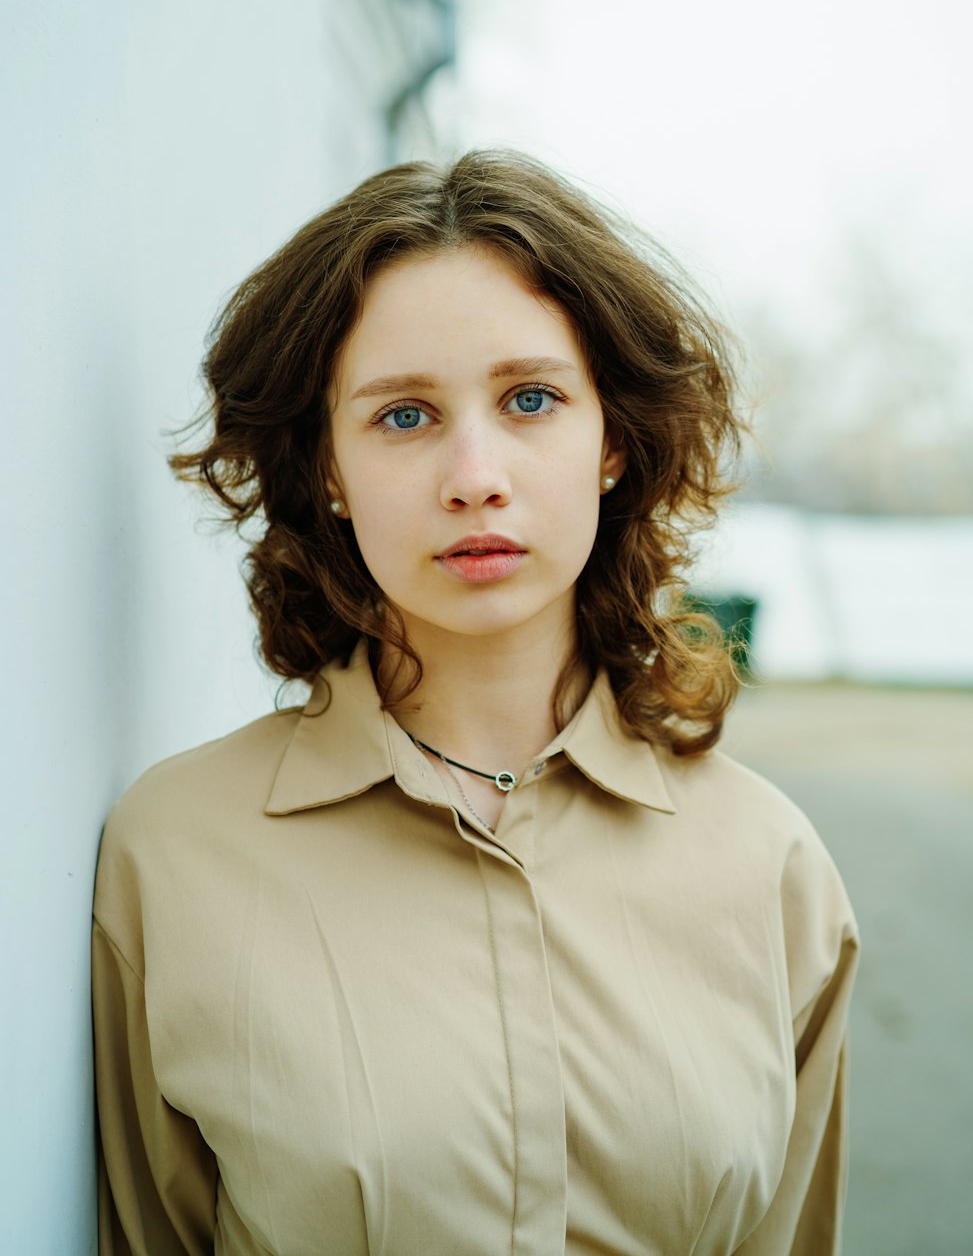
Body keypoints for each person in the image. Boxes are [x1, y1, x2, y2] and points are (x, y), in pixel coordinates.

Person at [92, 149, 859, 1255]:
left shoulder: (773, 869)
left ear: (609, 442)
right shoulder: (171, 857)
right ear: (328, 473)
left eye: (531, 399)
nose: (475, 473)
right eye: (402, 416)